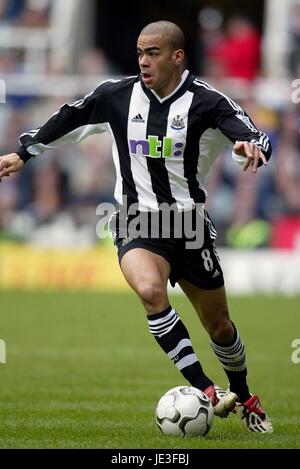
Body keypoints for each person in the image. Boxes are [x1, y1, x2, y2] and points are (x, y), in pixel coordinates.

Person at [0, 21, 273, 433]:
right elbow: (71, 116)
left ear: (177, 56)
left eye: (153, 53)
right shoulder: (117, 95)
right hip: (135, 219)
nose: (143, 61)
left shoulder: (208, 103)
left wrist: (249, 147)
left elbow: (255, 136)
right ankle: (206, 388)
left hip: (189, 227)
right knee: (149, 290)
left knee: (219, 325)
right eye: (140, 52)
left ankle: (245, 392)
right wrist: (24, 152)